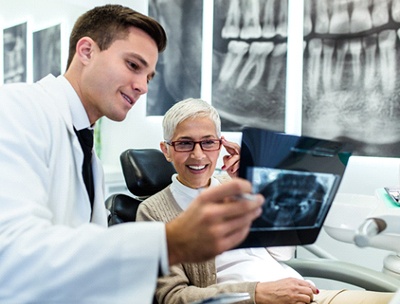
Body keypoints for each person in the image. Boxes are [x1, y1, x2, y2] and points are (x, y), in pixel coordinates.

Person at [0, 5, 264, 303]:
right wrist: (169, 243)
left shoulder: (88, 157)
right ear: (86, 51)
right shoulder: (15, 110)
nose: (142, 87)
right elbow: (11, 256)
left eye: (149, 77)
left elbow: (91, 272)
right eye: (133, 65)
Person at [136, 98, 395, 304]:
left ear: (220, 145)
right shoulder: (152, 212)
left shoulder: (234, 186)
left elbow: (281, 253)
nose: (198, 154)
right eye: (184, 144)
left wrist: (255, 184)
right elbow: (173, 297)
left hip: (306, 294)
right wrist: (258, 294)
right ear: (166, 150)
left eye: (208, 142)